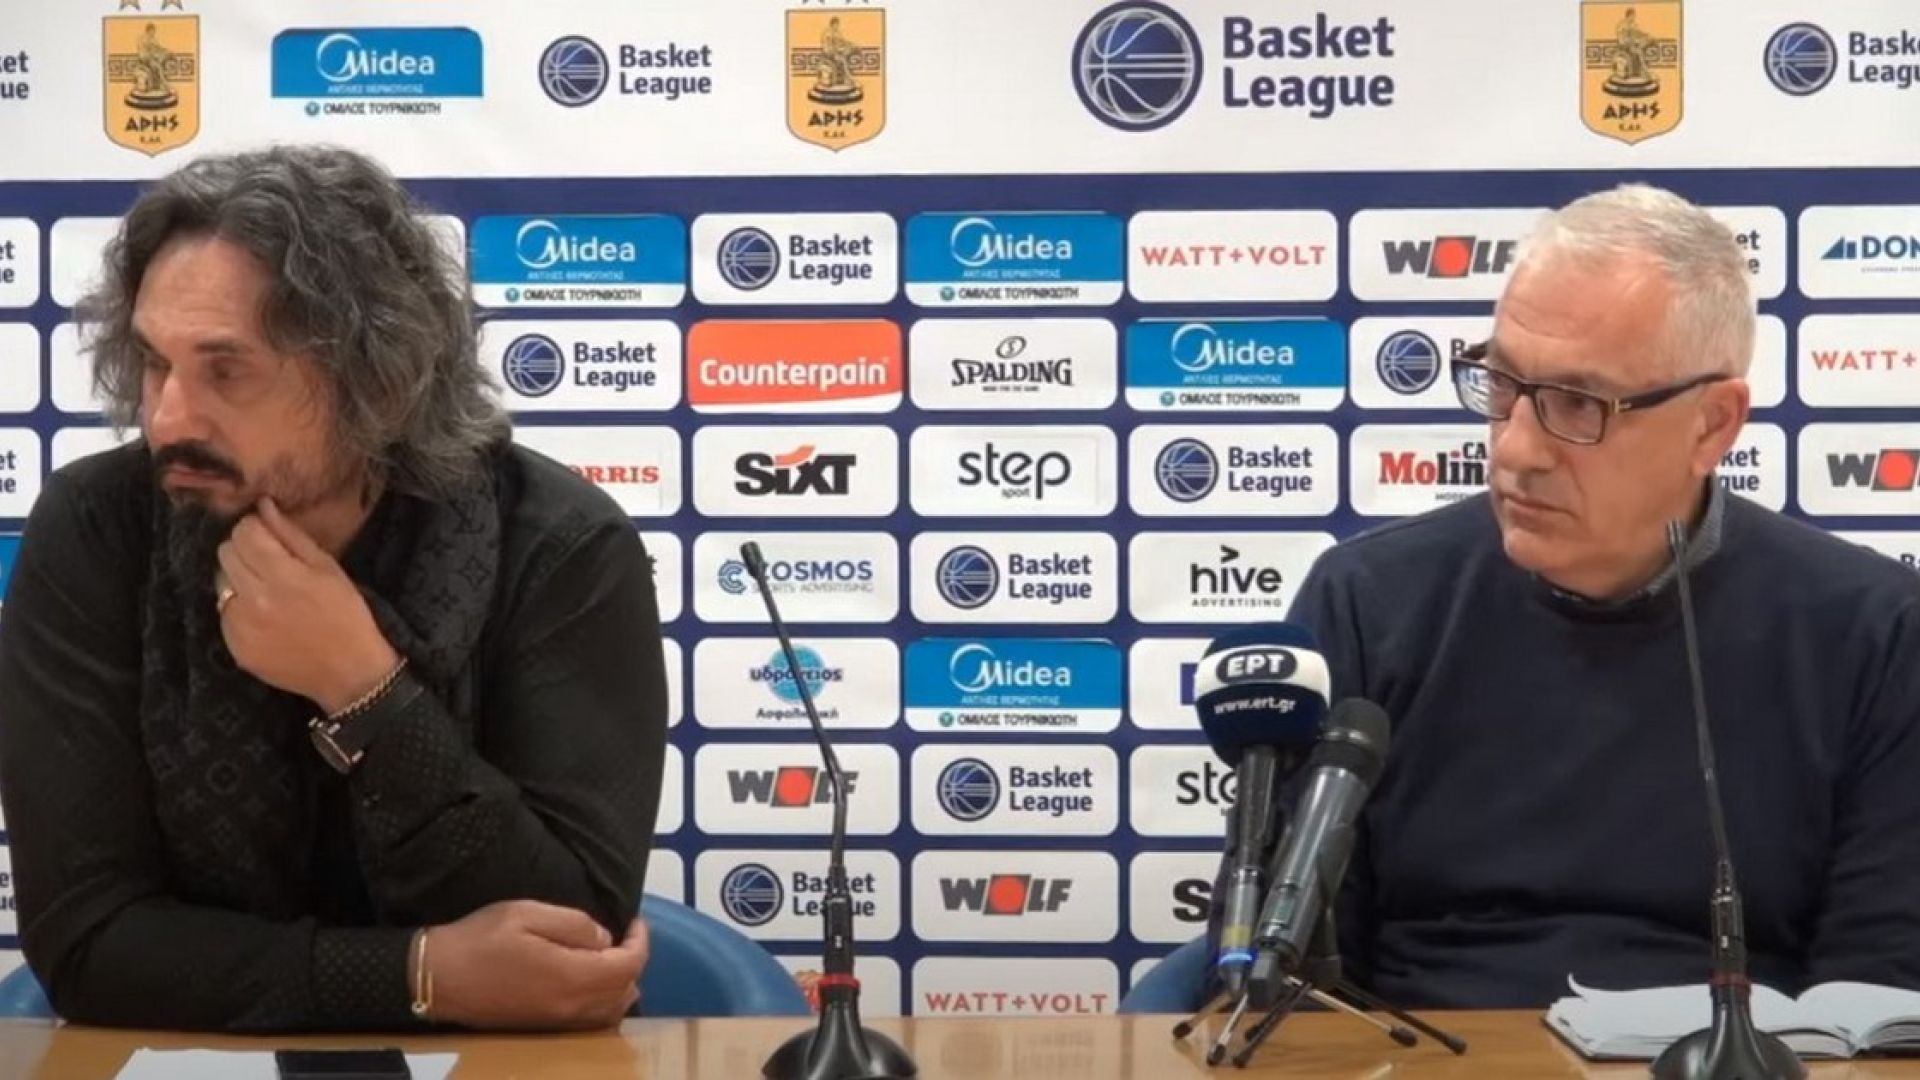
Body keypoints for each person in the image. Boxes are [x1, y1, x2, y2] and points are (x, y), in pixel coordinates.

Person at [0, 146, 669, 1032]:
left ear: (372, 379)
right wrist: (419, 975)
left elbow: (568, 939)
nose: (167, 419)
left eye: (226, 370)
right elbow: (87, 945)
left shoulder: (560, 547)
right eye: (157, 363)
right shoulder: (97, 529)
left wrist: (363, 690)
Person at [1288, 184, 1920, 1008]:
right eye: (1503, 383)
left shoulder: (1877, 634)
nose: (1517, 449)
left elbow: (1877, 998)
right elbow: (1292, 972)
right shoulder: (1367, 603)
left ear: (1713, 424)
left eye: (1578, 403)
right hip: (1425, 1051)